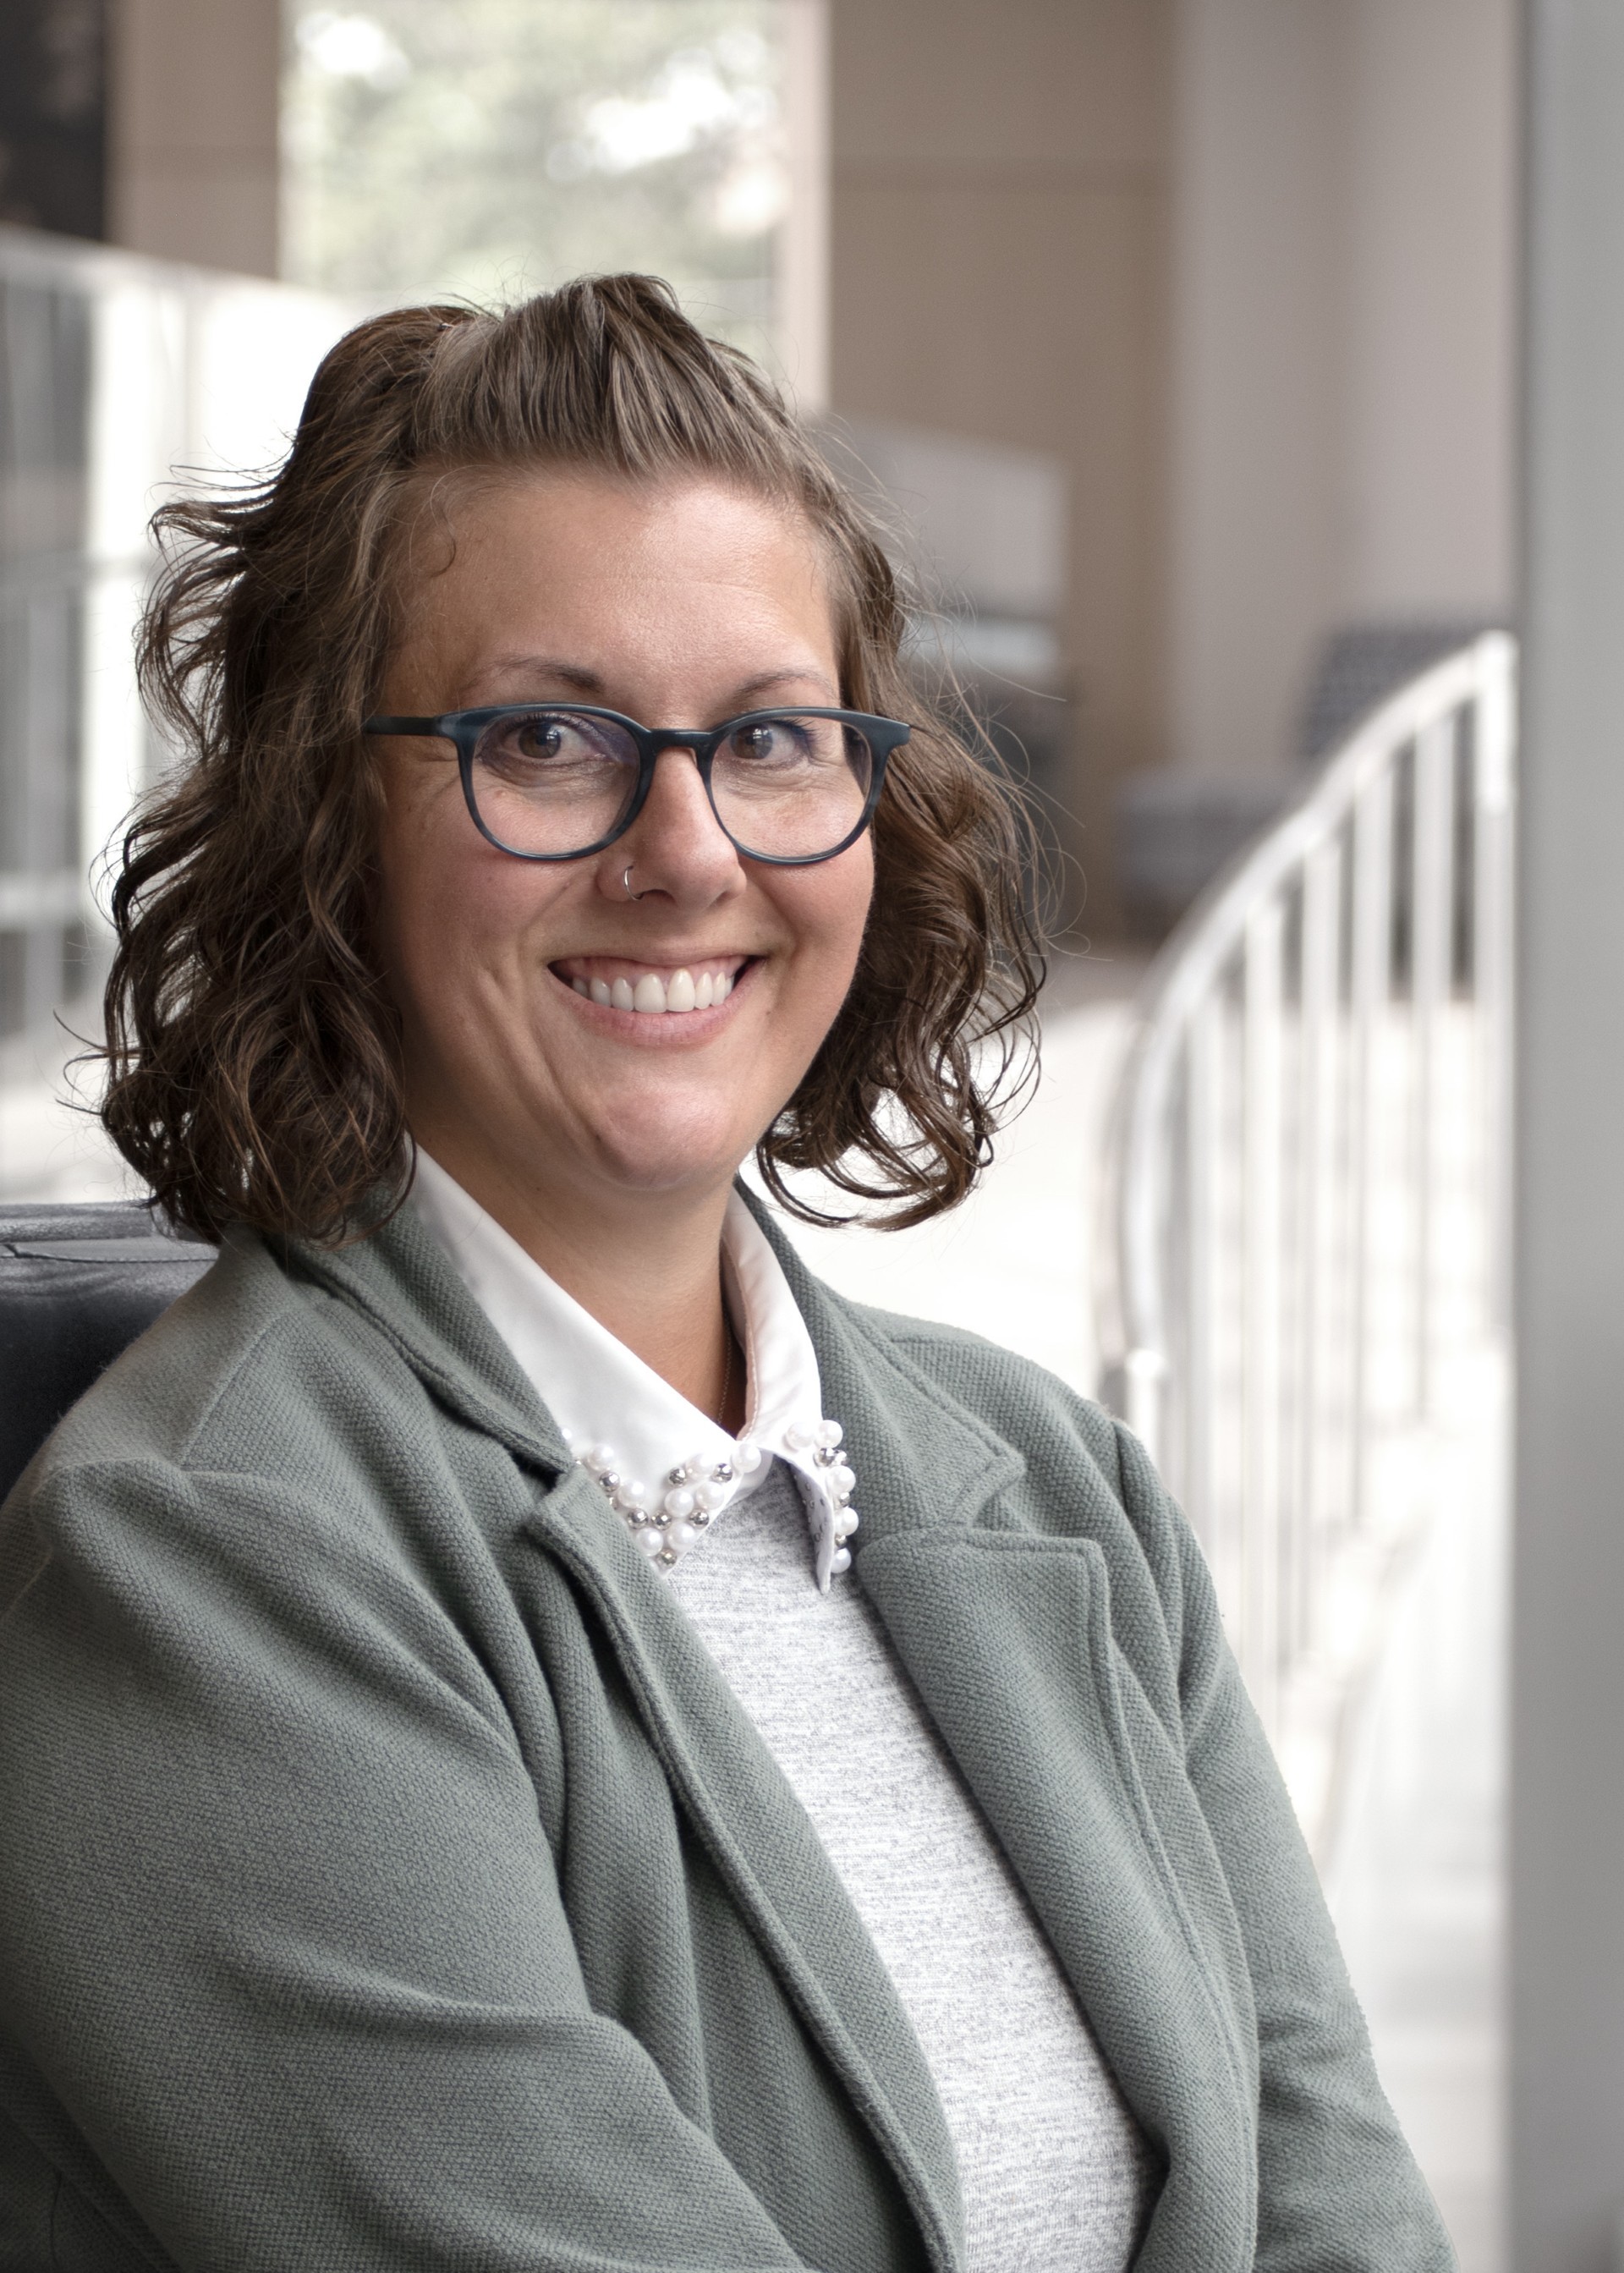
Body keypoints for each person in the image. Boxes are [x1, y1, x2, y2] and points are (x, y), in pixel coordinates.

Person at [0, 277, 1451, 2273]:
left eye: (771, 737)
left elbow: (1339, 2219)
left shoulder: (1062, 1487)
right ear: (331, 820)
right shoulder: (201, 1570)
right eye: (549, 738)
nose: (685, 852)